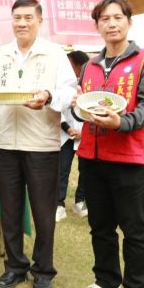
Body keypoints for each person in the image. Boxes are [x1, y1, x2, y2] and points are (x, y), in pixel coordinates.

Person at [0, 0, 76, 288]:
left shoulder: (55, 53)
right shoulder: (1, 54)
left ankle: (43, 270)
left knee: (44, 212)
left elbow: (69, 92)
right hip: (6, 141)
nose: (21, 23)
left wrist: (48, 96)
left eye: (28, 18)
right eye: (17, 18)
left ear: (39, 21)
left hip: (42, 143)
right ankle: (15, 266)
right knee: (9, 209)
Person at [74, 0, 144, 288]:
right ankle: (107, 281)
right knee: (100, 225)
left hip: (129, 158)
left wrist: (120, 123)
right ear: (97, 25)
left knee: (134, 228)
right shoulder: (91, 65)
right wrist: (76, 106)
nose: (111, 24)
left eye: (117, 17)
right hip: (92, 156)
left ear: (128, 21)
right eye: (104, 19)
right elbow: (83, 107)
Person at [56, 50, 90, 222]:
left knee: (86, 171)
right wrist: (68, 129)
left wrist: (84, 132)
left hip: (86, 135)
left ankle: (80, 202)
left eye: (69, 63)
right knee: (62, 170)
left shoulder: (90, 84)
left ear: (78, 65)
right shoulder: (63, 85)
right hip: (66, 134)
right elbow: (56, 110)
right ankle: (59, 205)